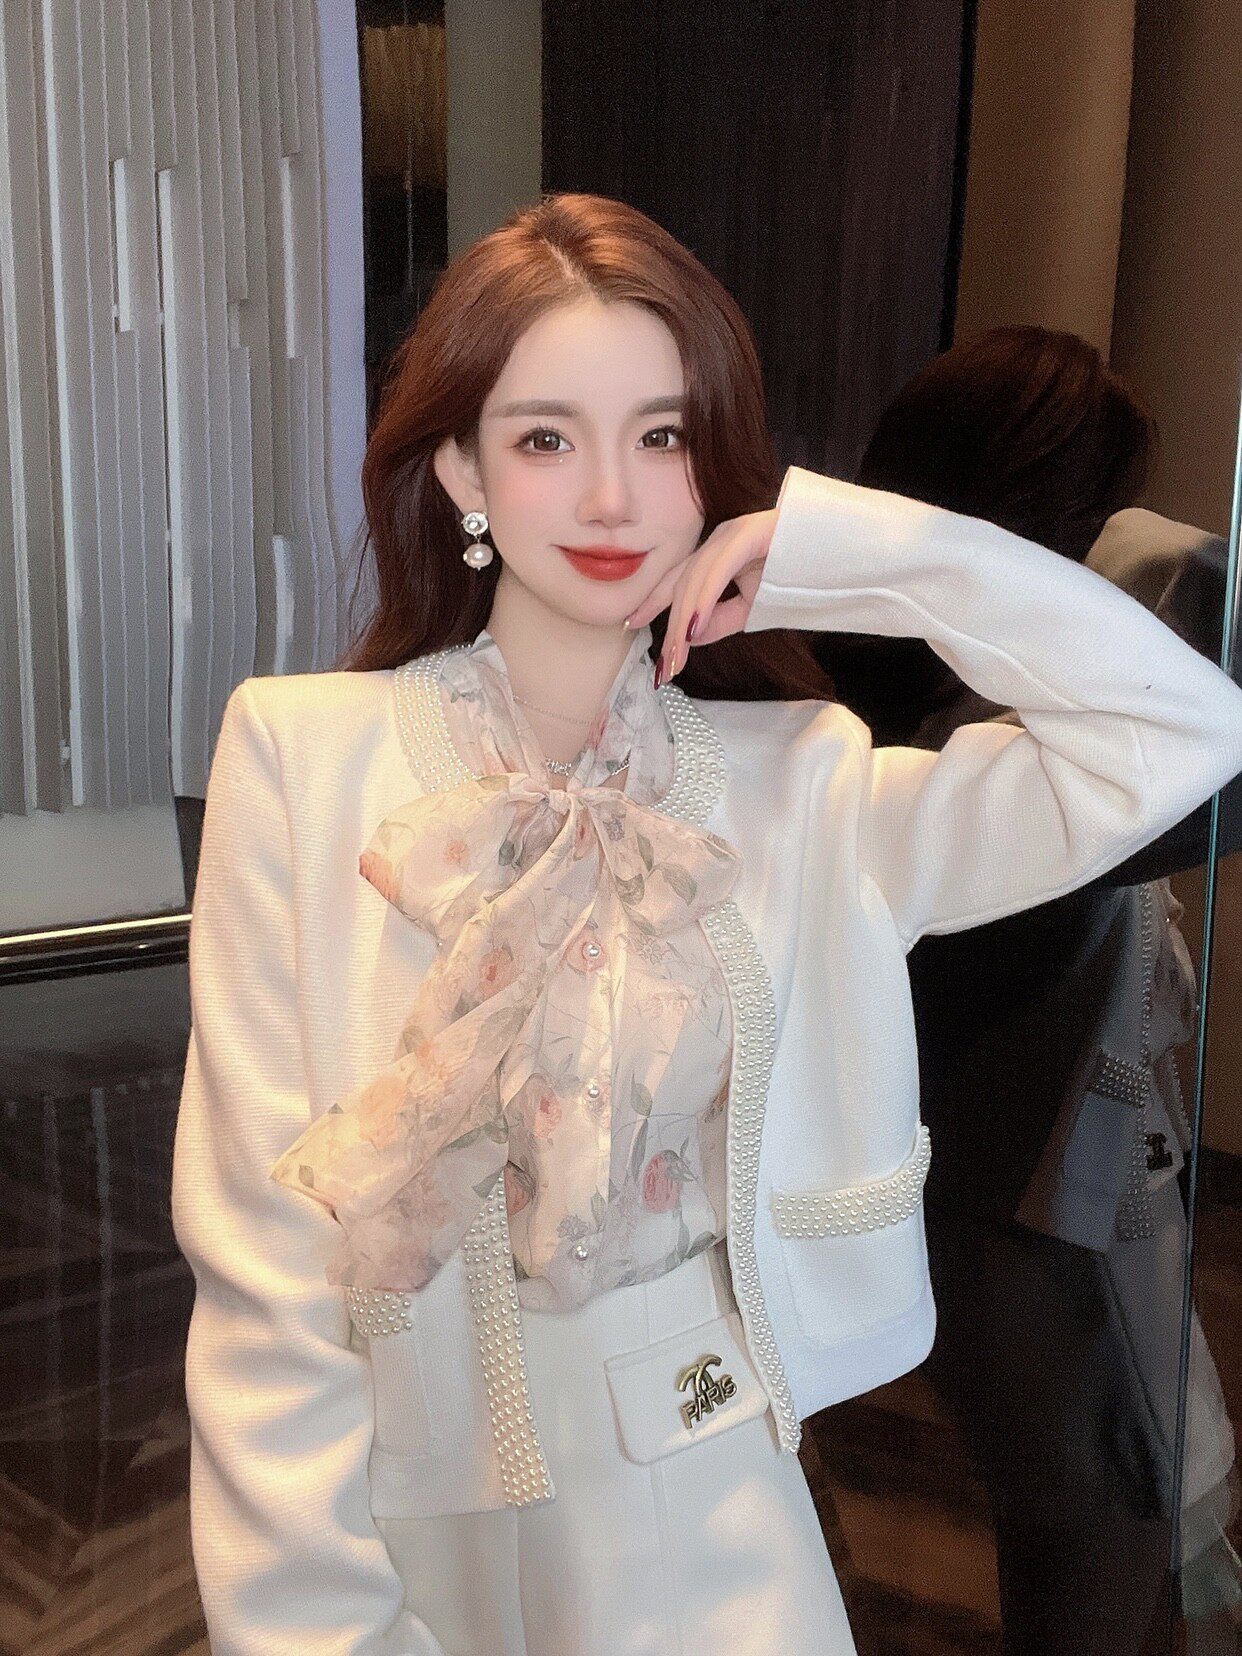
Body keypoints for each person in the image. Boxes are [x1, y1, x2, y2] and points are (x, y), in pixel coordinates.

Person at [171, 196, 1242, 1656]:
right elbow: (261, 1248)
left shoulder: (802, 782)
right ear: (460, 470)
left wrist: (864, 559)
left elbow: (1181, 735)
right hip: (401, 1498)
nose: (613, 498)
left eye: (662, 436)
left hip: (708, 1478)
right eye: (545, 439)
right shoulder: (304, 755)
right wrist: (311, 1618)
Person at [817, 325, 1241, 1654]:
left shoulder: (885, 721)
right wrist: (1148, 562)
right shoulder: (1004, 766)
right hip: (1049, 1225)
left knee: (1100, 1531)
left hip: (987, 1201)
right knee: (1099, 1542)